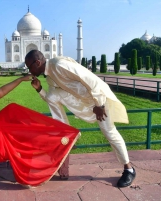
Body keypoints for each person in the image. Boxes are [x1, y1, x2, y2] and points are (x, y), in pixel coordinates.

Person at [24, 50, 136, 188]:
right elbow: (51, 99)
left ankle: (129, 169)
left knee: (109, 132)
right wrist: (39, 88)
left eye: (29, 66)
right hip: (83, 102)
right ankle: (68, 135)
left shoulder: (60, 65)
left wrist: (99, 104)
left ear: (38, 63)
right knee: (53, 96)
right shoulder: (50, 77)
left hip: (98, 99)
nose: (28, 70)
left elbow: (91, 80)